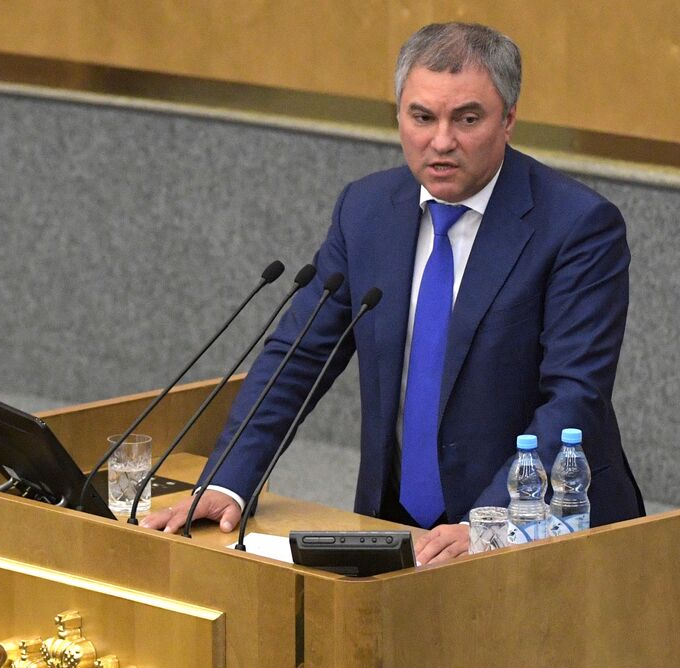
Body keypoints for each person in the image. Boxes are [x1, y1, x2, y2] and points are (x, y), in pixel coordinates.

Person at [142, 21, 643, 563]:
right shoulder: (366, 210)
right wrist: (228, 480)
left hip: (539, 529)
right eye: (422, 117)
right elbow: (300, 355)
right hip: (397, 524)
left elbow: (574, 397)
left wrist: (492, 520)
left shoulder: (578, 225)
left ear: (509, 119)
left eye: (467, 118)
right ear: (398, 114)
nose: (441, 141)